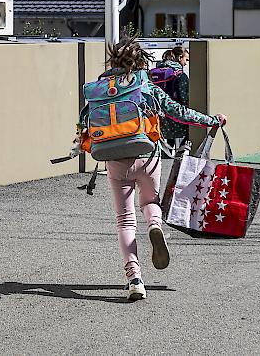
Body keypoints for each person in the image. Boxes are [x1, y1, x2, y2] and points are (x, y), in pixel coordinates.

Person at [80, 37, 226, 301]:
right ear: (139, 61)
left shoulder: (97, 89)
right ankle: (155, 226)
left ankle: (134, 278)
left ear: (112, 60)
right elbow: (176, 111)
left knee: (124, 219)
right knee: (150, 201)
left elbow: (83, 125)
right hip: (147, 154)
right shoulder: (144, 84)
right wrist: (211, 121)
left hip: (113, 159)